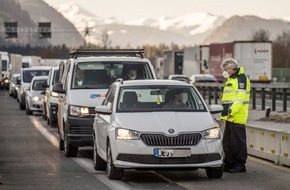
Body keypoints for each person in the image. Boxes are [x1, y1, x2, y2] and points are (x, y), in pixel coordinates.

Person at [220, 58, 251, 173]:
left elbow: (240, 98)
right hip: (229, 116)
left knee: (238, 142)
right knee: (227, 142)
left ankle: (239, 164)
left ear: (232, 69)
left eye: (225, 69)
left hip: (237, 115)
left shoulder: (241, 79)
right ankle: (229, 163)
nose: (224, 72)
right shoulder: (231, 78)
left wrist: (231, 111)